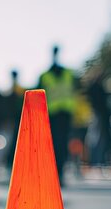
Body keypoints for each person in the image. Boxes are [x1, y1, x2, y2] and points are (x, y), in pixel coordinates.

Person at [38, 46, 78, 185]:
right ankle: (52, 173)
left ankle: (59, 173)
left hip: (65, 114)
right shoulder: (45, 75)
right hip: (51, 116)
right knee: (52, 146)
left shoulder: (69, 74)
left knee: (62, 145)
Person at [5, 70, 25, 168]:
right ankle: (11, 161)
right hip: (13, 119)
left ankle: (14, 161)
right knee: (12, 141)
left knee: (16, 141)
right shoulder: (13, 90)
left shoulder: (19, 90)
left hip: (19, 119)